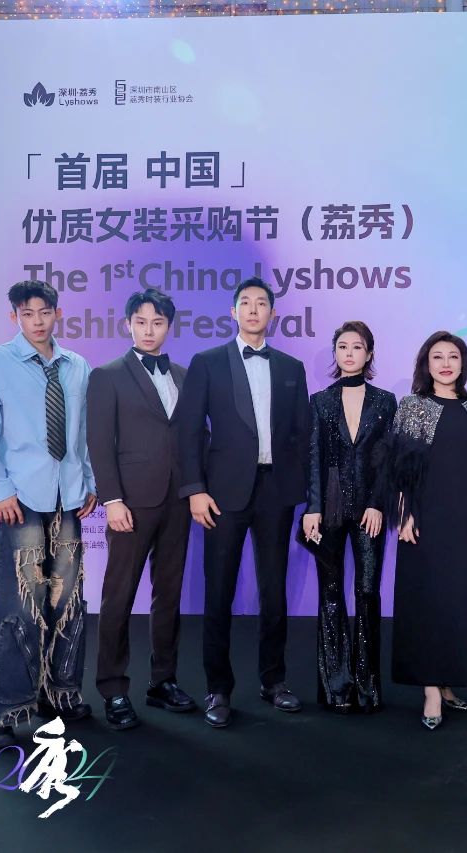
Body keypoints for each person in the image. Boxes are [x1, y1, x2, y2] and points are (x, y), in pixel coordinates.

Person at [0, 281, 97, 750]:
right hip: (20, 499)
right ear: (14, 317)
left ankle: (58, 695)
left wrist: (91, 481)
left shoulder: (77, 366)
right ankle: (2, 711)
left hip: (70, 497)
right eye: (27, 313)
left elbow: (84, 432)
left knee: (66, 601)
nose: (37, 321)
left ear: (58, 313)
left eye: (44, 312)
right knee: (17, 605)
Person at [174, 278, 310, 728]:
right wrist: (195, 489)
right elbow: (187, 430)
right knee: (219, 591)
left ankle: (274, 681)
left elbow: (302, 435)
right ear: (233, 312)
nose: (254, 309)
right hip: (221, 494)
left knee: (274, 591)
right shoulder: (208, 362)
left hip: (276, 492)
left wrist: (304, 495)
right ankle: (218, 688)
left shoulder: (291, 367)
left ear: (273, 313)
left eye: (262, 303)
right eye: (245, 303)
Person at [86, 288, 195, 731]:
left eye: (158, 323)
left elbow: (192, 437)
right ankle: (113, 688)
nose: (149, 330)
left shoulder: (184, 375)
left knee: (169, 595)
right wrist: (112, 499)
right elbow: (99, 442)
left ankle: (162, 681)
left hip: (178, 500)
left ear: (169, 327)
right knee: (119, 596)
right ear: (128, 324)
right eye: (141, 322)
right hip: (129, 502)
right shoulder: (107, 375)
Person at [383, 331, 467, 730]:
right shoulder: (412, 406)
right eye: (437, 357)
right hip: (424, 519)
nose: (446, 364)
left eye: (453, 356)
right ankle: (430, 687)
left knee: (457, 601)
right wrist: (405, 514)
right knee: (425, 600)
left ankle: (448, 682)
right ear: (426, 364)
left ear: (463, 363)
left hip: (464, 519)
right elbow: (400, 468)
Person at [299, 321, 397, 714]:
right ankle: (336, 687)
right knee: (330, 592)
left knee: (368, 592)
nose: (350, 353)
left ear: (369, 353)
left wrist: (377, 503)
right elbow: (313, 457)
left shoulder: (386, 401)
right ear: (335, 353)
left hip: (370, 509)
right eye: (343, 346)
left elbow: (388, 459)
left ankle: (367, 687)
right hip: (329, 507)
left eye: (357, 347)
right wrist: (312, 508)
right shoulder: (320, 401)